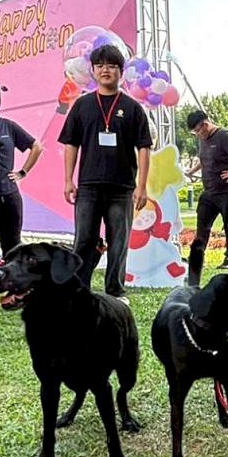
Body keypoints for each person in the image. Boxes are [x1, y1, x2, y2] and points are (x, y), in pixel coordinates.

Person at [59, 44, 151, 301]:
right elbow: (71, 144)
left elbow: (144, 148)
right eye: (100, 66)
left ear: (121, 71)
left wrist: (142, 186)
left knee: (118, 240)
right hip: (88, 186)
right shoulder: (82, 105)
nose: (105, 70)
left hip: (122, 187)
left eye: (111, 66)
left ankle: (115, 291)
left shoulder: (132, 108)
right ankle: (79, 290)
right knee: (84, 240)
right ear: (93, 70)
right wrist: (68, 180)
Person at [0, 77, 42, 256]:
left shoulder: (8, 126)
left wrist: (22, 172)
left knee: (12, 248)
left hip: (8, 196)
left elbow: (36, 146)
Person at [184, 110, 228, 286]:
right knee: (202, 226)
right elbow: (204, 159)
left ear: (205, 125)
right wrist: (192, 171)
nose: (197, 135)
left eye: (198, 131)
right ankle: (197, 257)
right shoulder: (203, 139)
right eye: (194, 132)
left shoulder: (223, 136)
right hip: (209, 191)